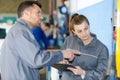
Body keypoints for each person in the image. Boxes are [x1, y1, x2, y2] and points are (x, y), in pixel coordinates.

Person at [0, 1, 80, 80]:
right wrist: (61, 54)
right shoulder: (21, 31)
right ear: (26, 14)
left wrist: (55, 59)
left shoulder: (19, 30)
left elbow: (31, 60)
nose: (41, 17)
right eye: (38, 13)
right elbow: (36, 60)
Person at [60, 13, 109, 80]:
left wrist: (83, 73)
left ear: (89, 26)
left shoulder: (102, 49)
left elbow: (102, 75)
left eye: (86, 29)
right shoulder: (68, 41)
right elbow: (60, 59)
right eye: (79, 31)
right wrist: (62, 61)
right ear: (74, 32)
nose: (84, 33)